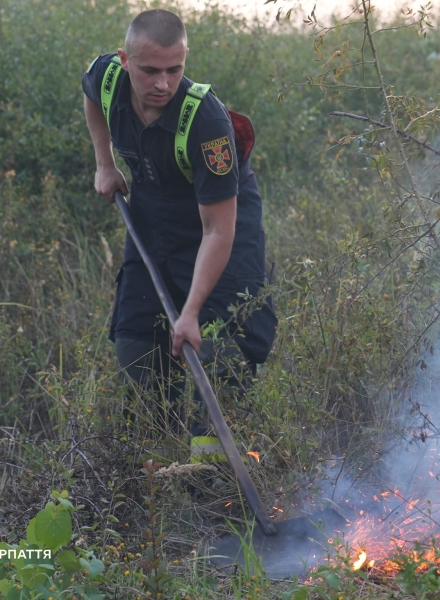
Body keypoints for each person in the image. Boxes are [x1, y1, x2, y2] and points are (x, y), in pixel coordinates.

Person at [82, 9, 276, 447]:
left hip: (220, 229)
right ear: (125, 60)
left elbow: (217, 232)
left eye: (175, 69)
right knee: (136, 341)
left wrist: (190, 313)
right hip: (154, 214)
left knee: (222, 350)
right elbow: (90, 94)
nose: (163, 84)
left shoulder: (206, 125)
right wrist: (104, 164)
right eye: (150, 70)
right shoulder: (107, 76)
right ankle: (157, 462)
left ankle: (212, 480)